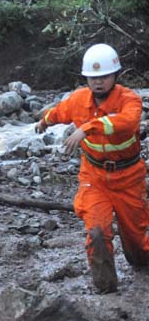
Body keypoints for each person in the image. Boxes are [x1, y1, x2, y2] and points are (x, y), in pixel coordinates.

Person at [35, 43, 149, 294]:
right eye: (93, 78)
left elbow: (125, 122)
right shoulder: (78, 100)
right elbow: (61, 112)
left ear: (115, 76)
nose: (98, 83)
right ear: (86, 78)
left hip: (129, 178)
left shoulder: (129, 99)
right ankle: (106, 290)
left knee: (137, 245)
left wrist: (87, 128)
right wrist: (45, 119)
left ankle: (140, 258)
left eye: (104, 77)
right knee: (97, 232)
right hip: (95, 177)